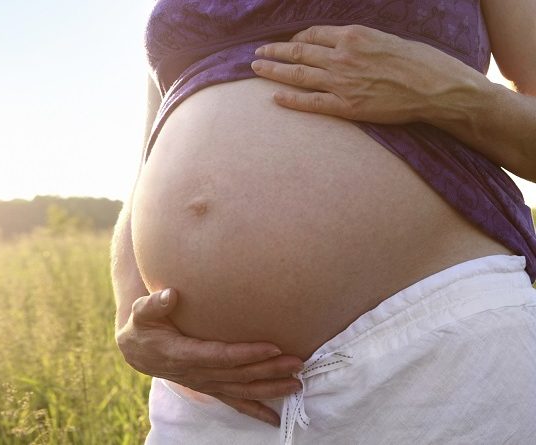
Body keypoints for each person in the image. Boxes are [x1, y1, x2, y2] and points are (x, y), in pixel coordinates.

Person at [112, 1, 536, 443]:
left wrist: (448, 91)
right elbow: (145, 162)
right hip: (214, 395)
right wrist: (128, 319)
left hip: (435, 348)